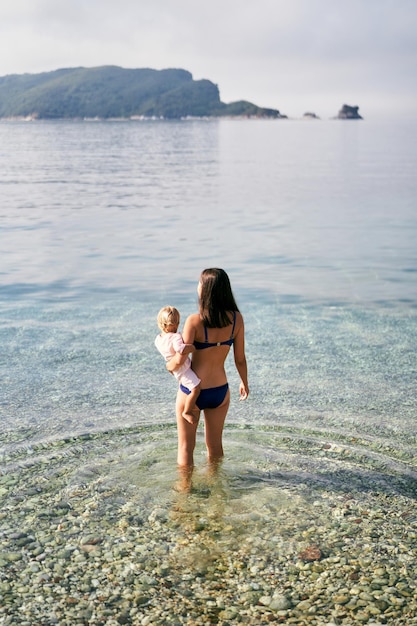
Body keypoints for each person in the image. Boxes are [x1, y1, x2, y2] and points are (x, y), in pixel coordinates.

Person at [166, 268, 249, 478]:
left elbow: (180, 361)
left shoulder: (194, 321)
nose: (197, 286)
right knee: (215, 448)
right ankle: (216, 492)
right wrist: (244, 383)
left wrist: (169, 364)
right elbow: (239, 358)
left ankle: (184, 495)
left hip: (192, 391)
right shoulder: (237, 320)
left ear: (206, 290)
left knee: (186, 448)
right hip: (220, 391)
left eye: (199, 283)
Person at [155, 306, 201, 424]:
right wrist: (192, 347)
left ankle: (187, 410)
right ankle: (187, 411)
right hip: (183, 369)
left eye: (177, 323)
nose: (176, 326)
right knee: (196, 389)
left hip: (175, 369)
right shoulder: (175, 337)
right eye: (175, 324)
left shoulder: (158, 339)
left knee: (188, 384)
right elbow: (180, 349)